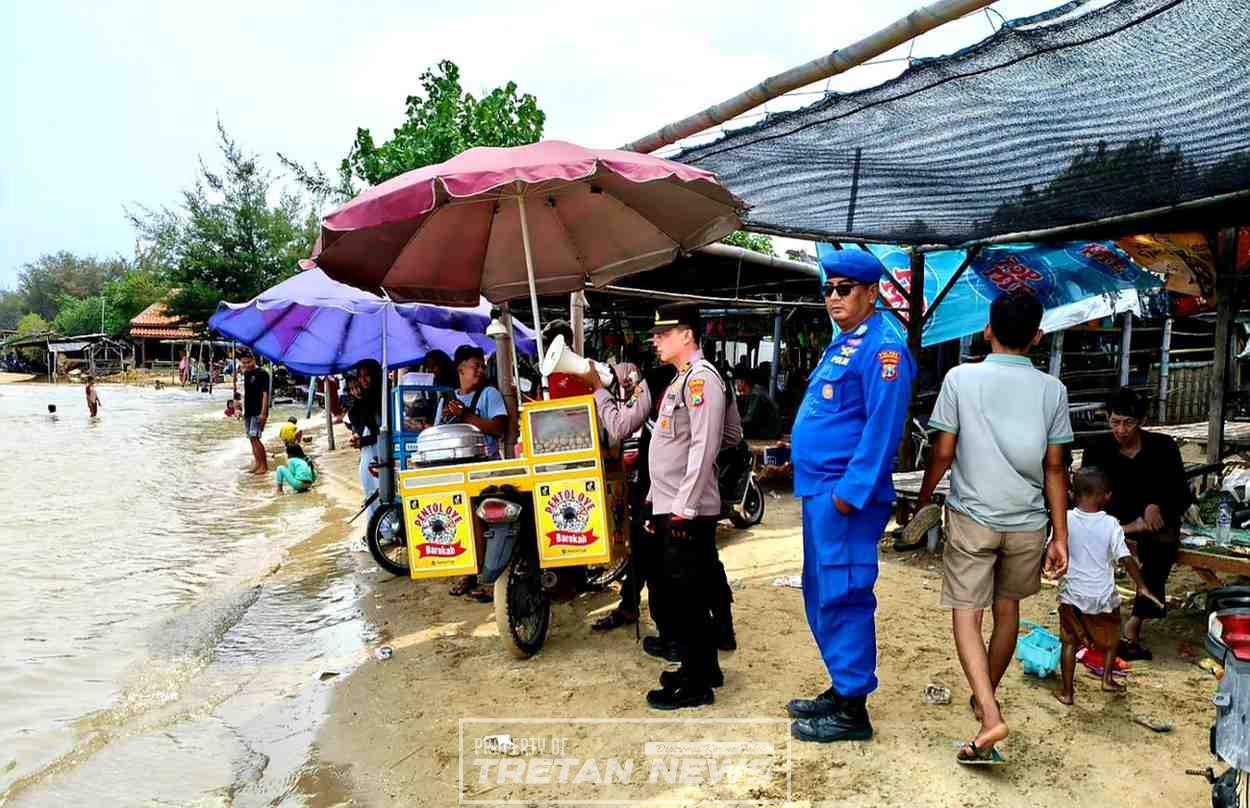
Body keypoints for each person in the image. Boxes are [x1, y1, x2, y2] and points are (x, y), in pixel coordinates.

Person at [914, 291, 1072, 763]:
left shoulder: (960, 378)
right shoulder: (1053, 390)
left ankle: (989, 711)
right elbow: (1055, 468)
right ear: (1038, 337)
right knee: (1008, 613)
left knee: (967, 613)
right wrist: (1060, 536)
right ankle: (986, 696)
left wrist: (924, 496)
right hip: (1027, 523)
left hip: (973, 519)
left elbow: (942, 452)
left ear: (987, 331)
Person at [786, 249, 915, 744]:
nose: (833, 298)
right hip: (819, 491)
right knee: (821, 591)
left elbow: (882, 431)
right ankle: (842, 690)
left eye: (844, 289)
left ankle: (853, 709)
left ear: (871, 292)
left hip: (844, 498)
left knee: (844, 592)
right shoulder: (846, 342)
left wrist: (848, 494)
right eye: (828, 290)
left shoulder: (883, 349)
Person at [643, 303, 737, 710]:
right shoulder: (683, 379)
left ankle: (696, 683)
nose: (656, 339)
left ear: (687, 336)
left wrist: (684, 502)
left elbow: (707, 443)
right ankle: (703, 668)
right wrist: (656, 499)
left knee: (687, 596)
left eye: (664, 333)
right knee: (687, 591)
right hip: (672, 503)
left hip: (687, 509)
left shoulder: (701, 380)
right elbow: (729, 433)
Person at [1080, 387, 1193, 661]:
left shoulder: (1163, 447)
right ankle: (1091, 623)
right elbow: (1086, 495)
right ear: (1107, 419)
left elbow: (1180, 492)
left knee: (1162, 548)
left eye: (1128, 422)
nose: (1121, 429)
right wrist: (1122, 528)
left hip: (1152, 523)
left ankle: (1134, 624)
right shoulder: (1097, 450)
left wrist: (1159, 506)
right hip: (1110, 521)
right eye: (1115, 422)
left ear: (1141, 421)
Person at [581, 360, 676, 642]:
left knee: (656, 558)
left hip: (655, 491)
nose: (625, 385)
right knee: (642, 552)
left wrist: (600, 389)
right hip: (642, 489)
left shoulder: (649, 399)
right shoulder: (636, 403)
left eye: (629, 379)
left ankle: (670, 632)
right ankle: (630, 605)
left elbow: (621, 428)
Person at [1054, 466, 1163, 705]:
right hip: (1103, 595)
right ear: (1106, 496)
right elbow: (1125, 558)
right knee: (1113, 637)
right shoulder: (1112, 524)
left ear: (1074, 494)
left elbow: (1053, 548)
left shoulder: (1064, 520)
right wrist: (1142, 586)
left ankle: (1067, 692)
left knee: (1069, 643)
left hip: (1072, 595)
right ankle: (1106, 679)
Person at [435, 345, 507, 602]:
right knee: (459, 520)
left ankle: (483, 575)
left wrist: (466, 415)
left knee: (481, 520)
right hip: (455, 471)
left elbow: (499, 428)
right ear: (460, 369)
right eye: (476, 365)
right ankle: (468, 571)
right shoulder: (446, 399)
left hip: (485, 469)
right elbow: (437, 433)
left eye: (482, 365)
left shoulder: (489, 394)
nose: (481, 370)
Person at [239, 351, 270, 474]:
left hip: (258, 410)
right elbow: (244, 393)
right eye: (244, 362)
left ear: (254, 360)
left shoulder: (262, 373)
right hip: (248, 410)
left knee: (255, 437)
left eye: (248, 362)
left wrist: (263, 413)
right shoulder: (246, 373)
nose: (246, 365)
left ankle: (264, 466)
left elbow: (265, 394)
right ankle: (257, 463)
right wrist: (239, 409)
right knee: (251, 438)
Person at [737, 368, 781, 440]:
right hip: (769, 430)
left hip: (769, 432)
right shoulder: (756, 391)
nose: (736, 384)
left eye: (737, 381)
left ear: (743, 382)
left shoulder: (756, 394)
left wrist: (735, 425)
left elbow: (749, 419)